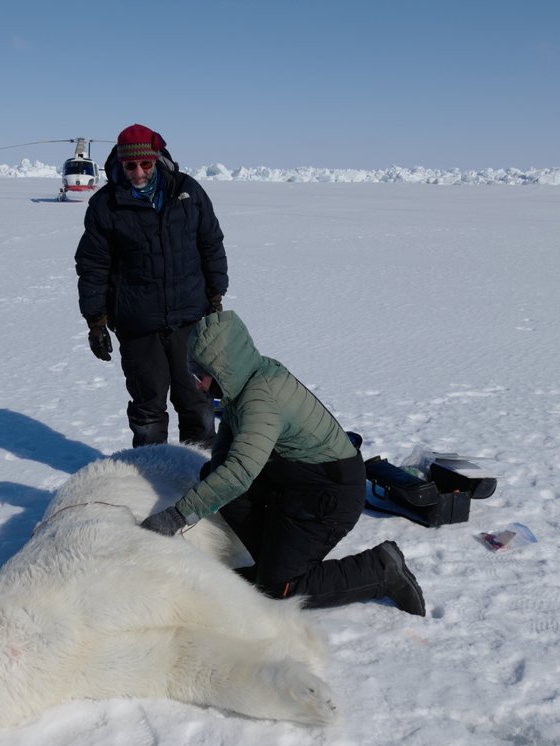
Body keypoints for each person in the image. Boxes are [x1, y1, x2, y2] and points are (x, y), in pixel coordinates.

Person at [140, 311, 426, 615]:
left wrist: (177, 516)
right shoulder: (245, 383)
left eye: (201, 375)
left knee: (279, 588)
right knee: (216, 476)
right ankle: (273, 563)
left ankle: (379, 570)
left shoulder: (261, 399)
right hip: (299, 481)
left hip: (330, 495)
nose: (197, 385)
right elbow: (226, 461)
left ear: (222, 368)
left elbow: (239, 473)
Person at [75, 123, 228, 448]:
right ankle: (151, 478)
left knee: (197, 403)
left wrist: (215, 296)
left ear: (156, 160)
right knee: (148, 409)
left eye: (145, 164)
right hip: (138, 324)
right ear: (121, 164)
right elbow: (93, 265)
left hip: (190, 320)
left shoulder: (187, 192)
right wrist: (95, 321)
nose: (139, 172)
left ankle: (199, 479)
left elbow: (211, 243)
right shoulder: (106, 205)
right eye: (131, 166)